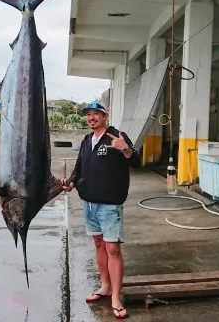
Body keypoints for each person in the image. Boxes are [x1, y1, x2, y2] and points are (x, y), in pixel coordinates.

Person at [62, 102, 140, 320]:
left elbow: (137, 161)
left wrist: (124, 148)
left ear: (106, 115)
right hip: (88, 203)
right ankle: (104, 286)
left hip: (109, 204)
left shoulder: (117, 136)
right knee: (98, 244)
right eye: (88, 114)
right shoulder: (87, 140)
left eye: (96, 114)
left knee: (112, 248)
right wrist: (71, 183)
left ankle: (116, 296)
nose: (91, 118)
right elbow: (80, 168)